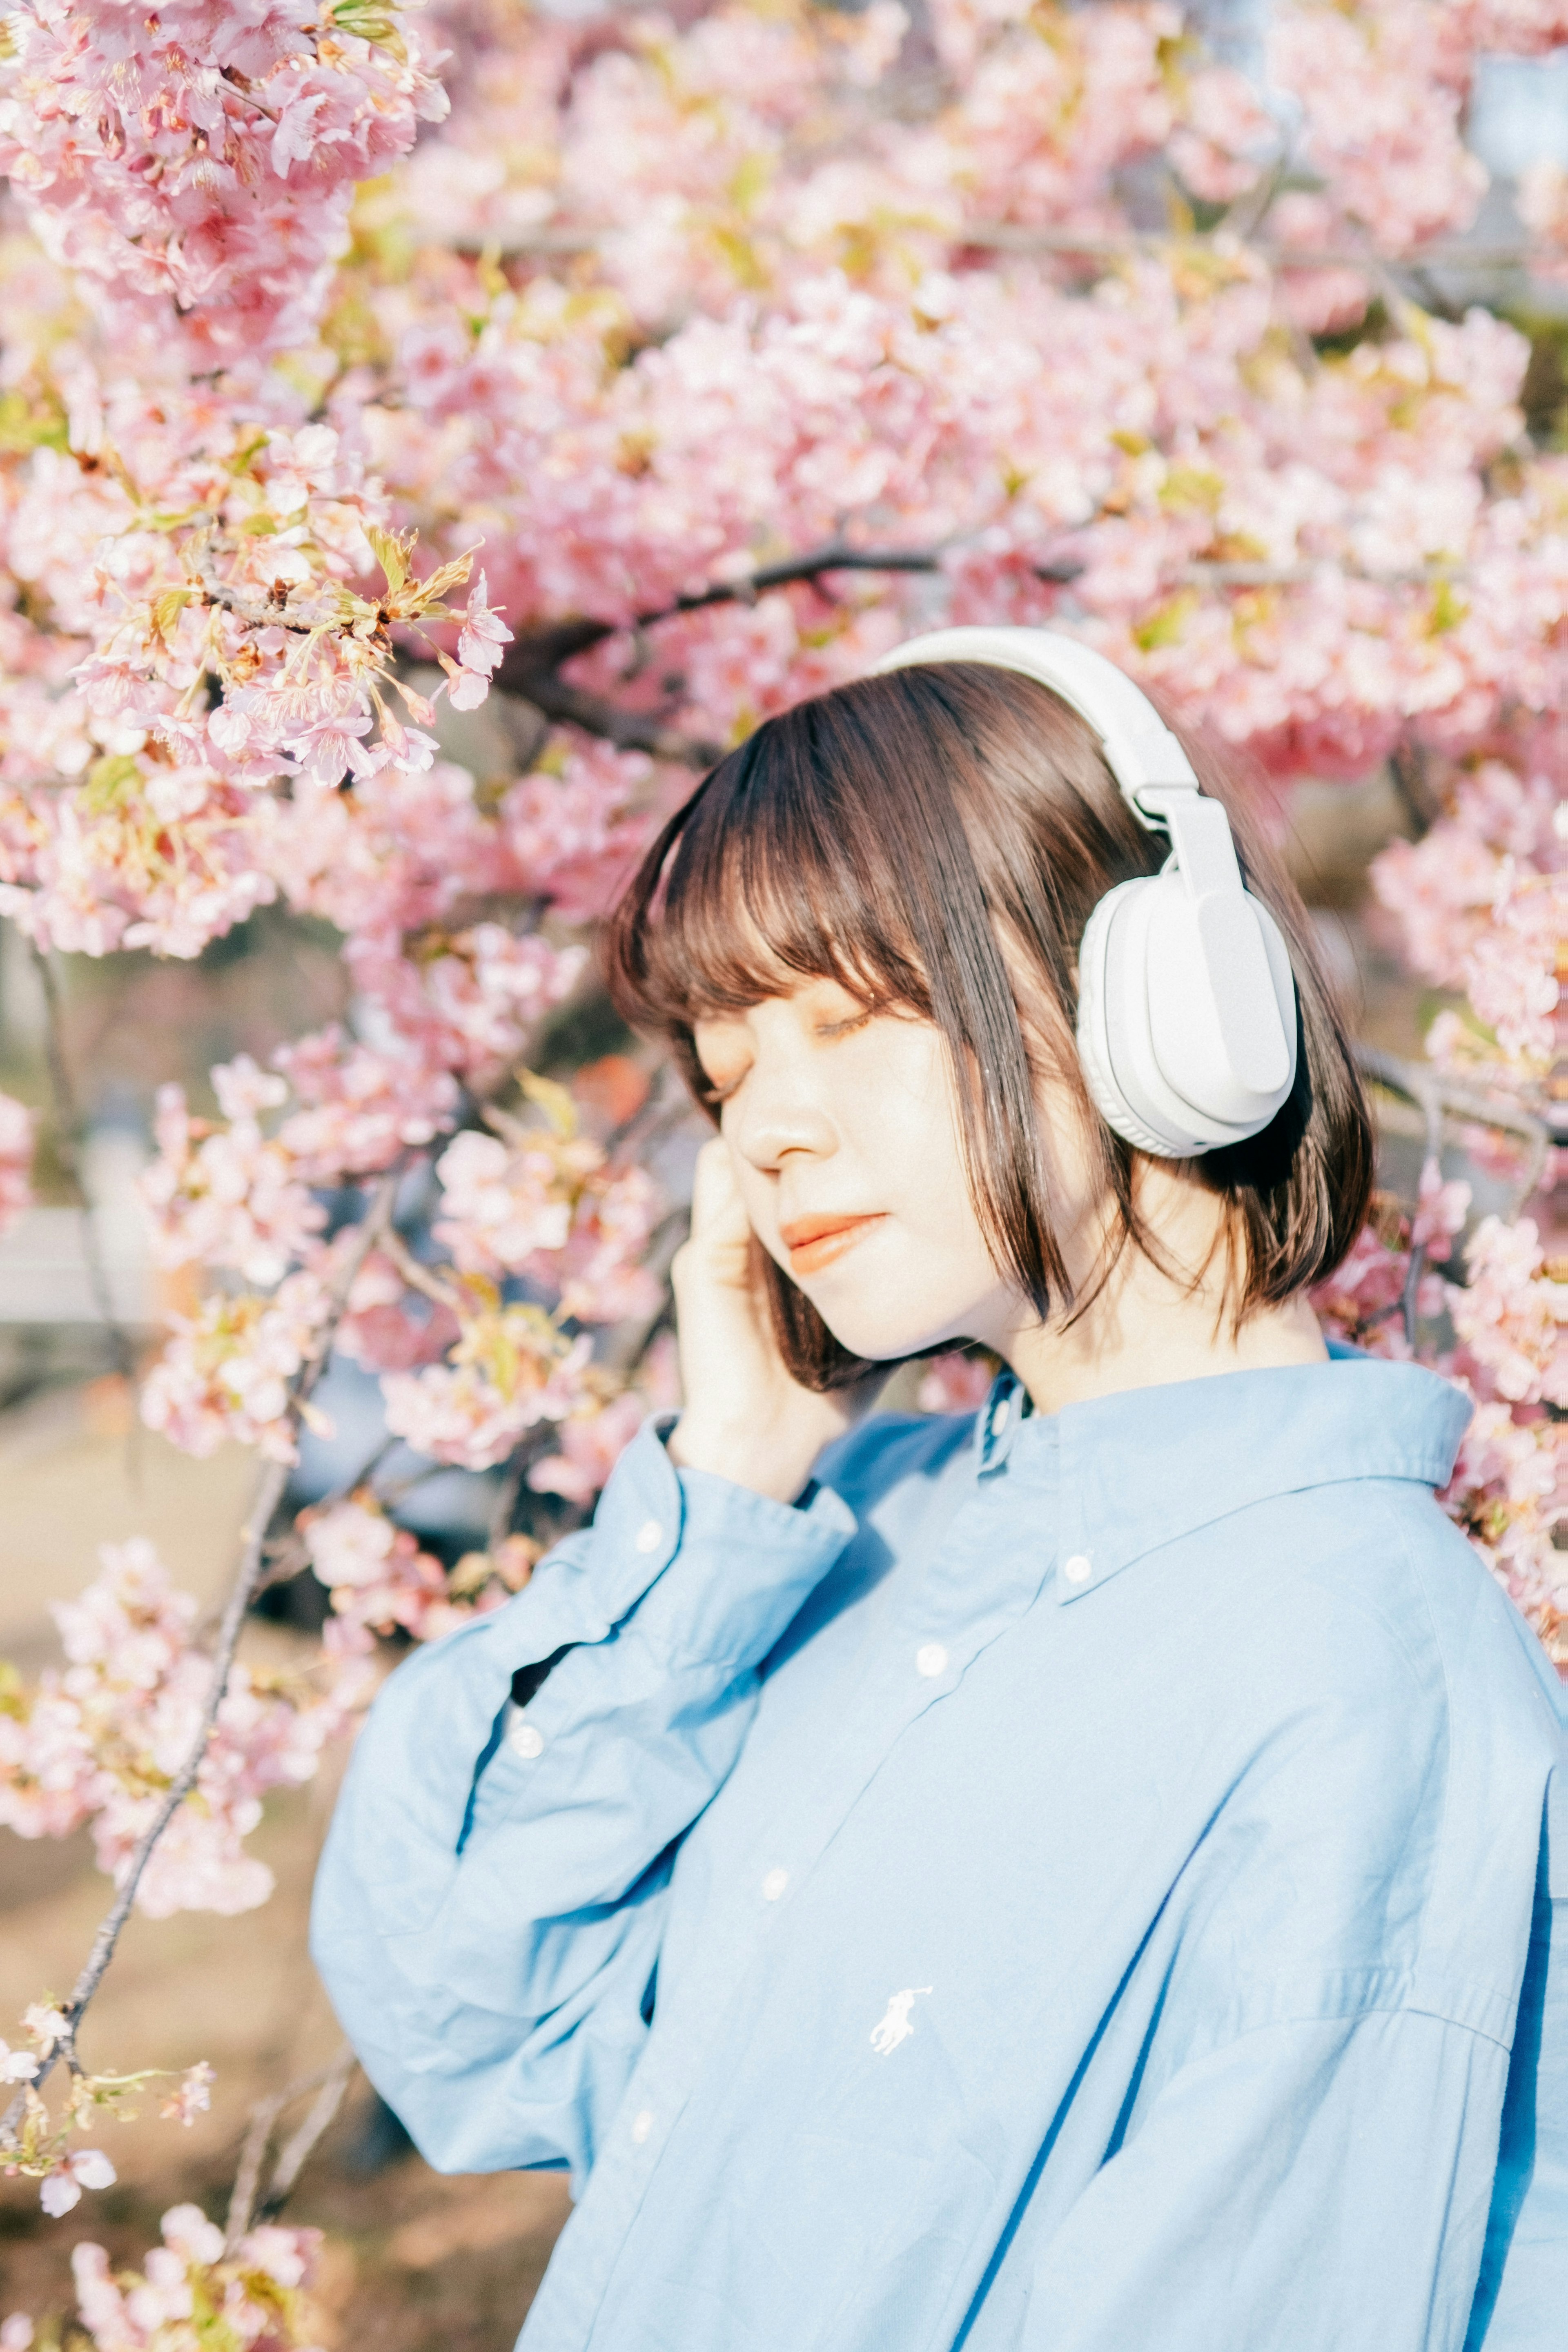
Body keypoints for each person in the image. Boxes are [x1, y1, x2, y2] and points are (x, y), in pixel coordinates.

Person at [311, 629, 1565, 2352]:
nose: (768, 1135)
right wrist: (722, 1499)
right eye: (728, 1076)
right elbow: (467, 2015)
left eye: (843, 1020)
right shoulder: (862, 1540)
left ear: (1155, 998)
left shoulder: (1364, 1681)